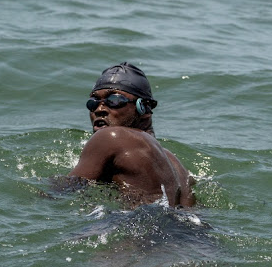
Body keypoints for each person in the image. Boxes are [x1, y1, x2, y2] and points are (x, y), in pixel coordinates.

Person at [68, 62, 196, 208]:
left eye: (115, 100)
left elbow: (62, 191)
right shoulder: (177, 165)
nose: (100, 109)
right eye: (93, 103)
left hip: (147, 226)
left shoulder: (111, 137)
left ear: (143, 109)